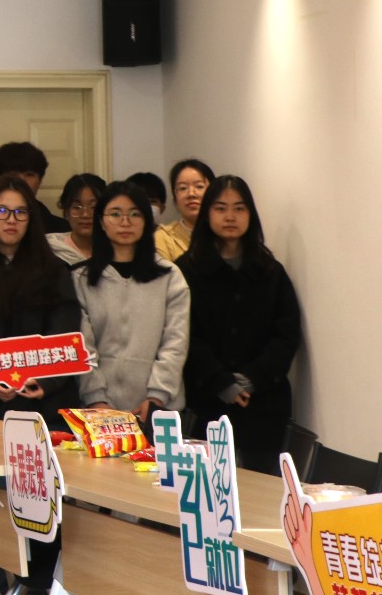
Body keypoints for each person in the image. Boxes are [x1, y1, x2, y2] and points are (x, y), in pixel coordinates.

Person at [177, 176, 302, 474]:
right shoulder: (186, 270)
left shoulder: (271, 270)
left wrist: (252, 378)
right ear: (207, 214)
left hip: (264, 403)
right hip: (206, 401)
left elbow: (286, 334)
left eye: (239, 208)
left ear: (251, 214)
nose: (230, 217)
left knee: (263, 488)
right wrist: (221, 382)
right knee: (209, 486)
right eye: (220, 208)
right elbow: (183, 335)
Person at [0, 175, 81, 423]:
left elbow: (64, 332)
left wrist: (46, 382)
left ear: (31, 218)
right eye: (2, 211)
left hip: (44, 402)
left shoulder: (54, 270)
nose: (11, 220)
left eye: (20, 212)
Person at [73, 181, 189, 423]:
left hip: (158, 409)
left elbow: (175, 343)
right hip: (98, 411)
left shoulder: (170, 276)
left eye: (135, 214)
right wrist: (95, 398)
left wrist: (157, 397)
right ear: (101, 221)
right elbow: (82, 345)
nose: (125, 222)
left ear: (147, 221)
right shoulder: (81, 279)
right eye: (115, 214)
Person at [0, 142, 69, 233]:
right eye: (13, 174)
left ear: (40, 180)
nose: (22, 181)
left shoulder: (62, 230)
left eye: (29, 175)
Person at [156, 158, 216, 263]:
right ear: (175, 195)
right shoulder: (163, 238)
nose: (191, 194)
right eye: (183, 188)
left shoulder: (225, 232)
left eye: (199, 186)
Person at [46, 173, 105, 265]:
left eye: (94, 207)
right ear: (66, 212)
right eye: (77, 207)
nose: (85, 214)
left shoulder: (116, 251)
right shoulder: (49, 250)